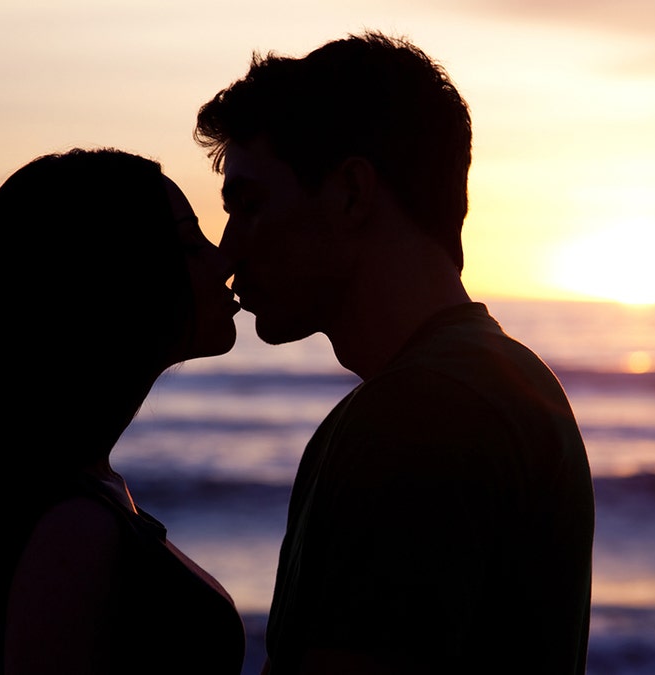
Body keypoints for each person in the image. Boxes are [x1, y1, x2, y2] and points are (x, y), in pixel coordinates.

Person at [195, 32, 595, 674]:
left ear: (351, 192)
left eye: (249, 205)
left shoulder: (413, 417)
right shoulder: (516, 381)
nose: (228, 250)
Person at [0, 149, 246, 675]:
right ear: (116, 276)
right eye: (190, 243)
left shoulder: (86, 493)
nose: (224, 260)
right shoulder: (73, 530)